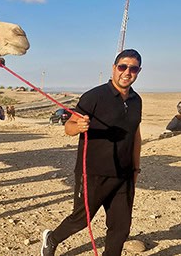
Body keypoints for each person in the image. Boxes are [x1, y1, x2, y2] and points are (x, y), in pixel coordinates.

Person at [41, 49, 143, 256]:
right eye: (123, 67)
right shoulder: (94, 96)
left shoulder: (136, 101)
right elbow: (69, 126)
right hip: (92, 173)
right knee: (81, 219)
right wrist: (77, 127)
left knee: (121, 227)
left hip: (123, 175)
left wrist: (135, 169)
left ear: (138, 71)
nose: (127, 72)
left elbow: (136, 136)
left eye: (133, 68)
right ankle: (51, 238)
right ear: (114, 68)